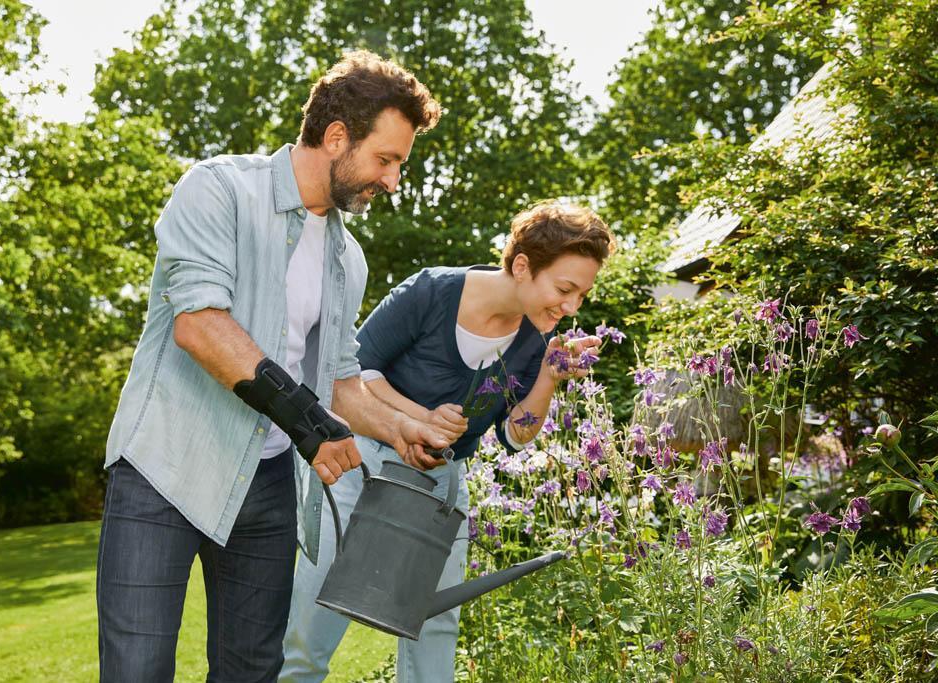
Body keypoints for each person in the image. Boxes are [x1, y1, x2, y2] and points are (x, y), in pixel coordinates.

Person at [96, 50, 449, 682]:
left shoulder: (349, 258)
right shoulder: (220, 189)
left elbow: (340, 383)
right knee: (137, 669)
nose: (393, 180)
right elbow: (200, 325)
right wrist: (310, 423)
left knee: (252, 671)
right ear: (337, 138)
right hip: (164, 467)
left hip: (265, 486)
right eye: (386, 159)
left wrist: (401, 431)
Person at [281, 201, 616, 682]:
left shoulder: (533, 342)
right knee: (316, 617)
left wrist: (548, 376)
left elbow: (514, 434)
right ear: (522, 266)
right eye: (565, 289)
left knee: (434, 623)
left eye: (581, 295)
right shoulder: (431, 292)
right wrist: (420, 419)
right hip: (361, 468)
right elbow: (351, 373)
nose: (572, 307)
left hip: (441, 487)